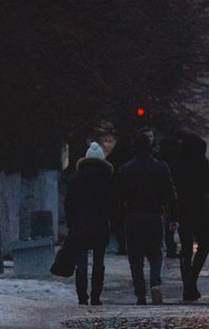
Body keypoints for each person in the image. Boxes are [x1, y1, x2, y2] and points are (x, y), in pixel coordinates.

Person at [113, 131, 178, 305]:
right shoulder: (161, 167)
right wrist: (173, 217)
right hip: (154, 215)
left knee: (136, 257)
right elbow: (171, 195)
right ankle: (155, 283)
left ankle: (140, 293)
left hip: (133, 217)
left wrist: (117, 222)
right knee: (156, 253)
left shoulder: (126, 169)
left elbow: (119, 198)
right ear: (151, 148)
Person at [64, 142, 113, 306]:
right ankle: (96, 296)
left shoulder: (75, 179)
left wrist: (71, 223)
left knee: (81, 262)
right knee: (99, 263)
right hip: (99, 224)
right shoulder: (107, 179)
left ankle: (82, 296)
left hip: (79, 225)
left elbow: (68, 204)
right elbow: (112, 204)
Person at [170, 131, 209, 301]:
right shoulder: (201, 163)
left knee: (186, 249)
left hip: (183, 210)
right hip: (199, 209)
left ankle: (187, 284)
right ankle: (191, 281)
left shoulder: (178, 164)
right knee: (203, 247)